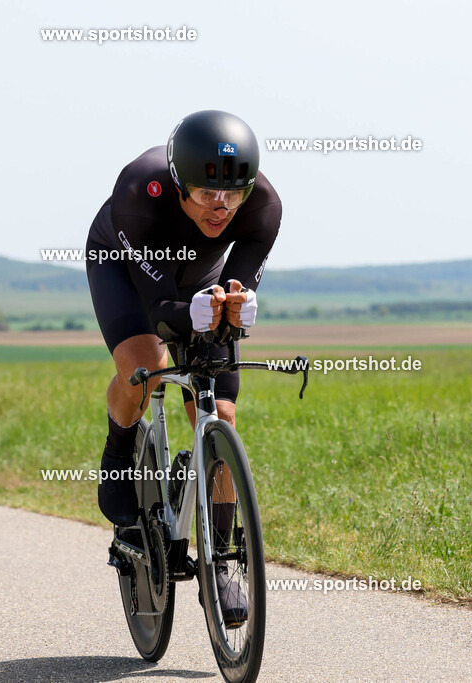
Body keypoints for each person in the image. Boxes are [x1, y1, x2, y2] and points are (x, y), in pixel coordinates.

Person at [85, 110, 281, 627]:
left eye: (232, 194)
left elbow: (234, 291)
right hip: (125, 266)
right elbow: (160, 310)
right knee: (147, 363)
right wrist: (188, 317)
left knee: (219, 410)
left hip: (200, 276)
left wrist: (235, 307)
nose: (221, 208)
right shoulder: (138, 192)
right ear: (178, 183)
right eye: (205, 193)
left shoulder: (262, 206)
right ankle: (120, 447)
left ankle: (222, 559)